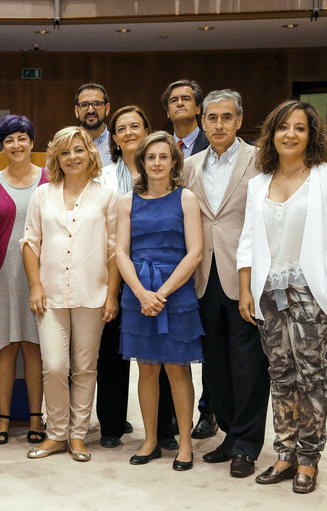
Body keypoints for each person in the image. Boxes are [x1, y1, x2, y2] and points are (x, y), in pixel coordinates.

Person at [236, 100, 327, 494]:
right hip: (268, 292)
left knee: (312, 376)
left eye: (300, 128)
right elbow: (248, 242)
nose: (290, 134)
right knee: (280, 375)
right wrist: (245, 290)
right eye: (283, 127)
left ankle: (309, 459)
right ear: (272, 134)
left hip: (310, 292)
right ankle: (284, 453)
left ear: (312, 135)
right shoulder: (259, 182)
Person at [182, 89, 270, 478]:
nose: (218, 124)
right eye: (212, 118)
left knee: (248, 363)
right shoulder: (190, 165)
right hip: (202, 277)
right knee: (215, 365)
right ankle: (232, 435)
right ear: (202, 121)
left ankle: (248, 446)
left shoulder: (261, 161)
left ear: (239, 120)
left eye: (226, 117)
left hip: (245, 276)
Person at [22, 126, 119, 462]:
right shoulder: (43, 194)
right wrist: (35, 285)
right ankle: (56, 434)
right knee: (54, 365)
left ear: (90, 154)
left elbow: (113, 250)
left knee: (85, 367)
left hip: (93, 292)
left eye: (79, 150)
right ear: (56, 158)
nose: (73, 157)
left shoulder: (105, 195)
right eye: (65, 152)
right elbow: (30, 243)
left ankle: (77, 436)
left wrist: (113, 294)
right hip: (49, 295)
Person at [116, 131, 204, 471]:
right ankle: (150, 439)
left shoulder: (186, 199)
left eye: (163, 157)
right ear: (142, 162)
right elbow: (121, 252)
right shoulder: (126, 201)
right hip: (138, 293)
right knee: (147, 368)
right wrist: (141, 292)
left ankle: (184, 444)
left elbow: (194, 253)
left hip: (175, 293)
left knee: (177, 369)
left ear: (173, 162)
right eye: (150, 157)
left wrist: (162, 293)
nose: (156, 163)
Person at [0, 115, 48, 445]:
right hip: (1, 276)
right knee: (4, 348)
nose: (16, 145)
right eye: (9, 140)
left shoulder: (51, 180)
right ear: (1, 145)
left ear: (32, 142)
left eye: (22, 138)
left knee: (35, 348)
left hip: (41, 277)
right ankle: (3, 417)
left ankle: (36, 416)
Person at [161, 78, 217, 438]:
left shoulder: (213, 144)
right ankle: (169, 420)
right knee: (168, 350)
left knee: (209, 343)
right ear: (167, 110)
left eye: (187, 99)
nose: (180, 104)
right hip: (166, 258)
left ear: (199, 108)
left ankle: (209, 411)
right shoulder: (161, 147)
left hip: (208, 258)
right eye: (174, 100)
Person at [95, 105, 152, 448]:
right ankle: (112, 425)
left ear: (146, 130)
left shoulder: (163, 171)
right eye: (121, 128)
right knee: (111, 354)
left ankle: (164, 425)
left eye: (135, 126)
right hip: (111, 272)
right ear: (113, 137)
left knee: (156, 354)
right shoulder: (102, 175)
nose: (129, 132)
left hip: (154, 272)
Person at [75, 83, 113, 167]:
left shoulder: (117, 144)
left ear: (107, 109)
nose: (90, 110)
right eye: (84, 105)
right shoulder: (62, 145)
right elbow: (52, 179)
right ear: (76, 111)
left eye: (97, 104)